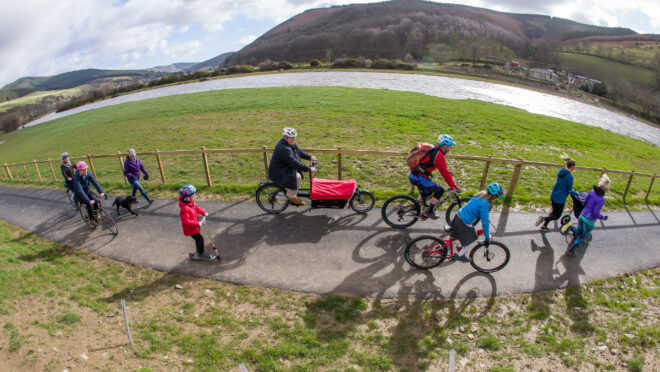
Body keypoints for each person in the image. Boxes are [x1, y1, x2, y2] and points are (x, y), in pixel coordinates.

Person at [446, 183, 504, 263]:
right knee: (470, 242)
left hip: (459, 215)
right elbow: (485, 223)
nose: (496, 198)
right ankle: (460, 256)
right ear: (494, 196)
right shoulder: (486, 204)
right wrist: (487, 236)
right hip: (464, 221)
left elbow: (474, 207)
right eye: (496, 197)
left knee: (453, 234)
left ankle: (441, 246)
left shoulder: (480, 194)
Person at [408, 133, 460, 219]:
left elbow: (443, 169)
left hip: (415, 175)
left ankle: (415, 206)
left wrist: (448, 172)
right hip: (419, 178)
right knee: (440, 190)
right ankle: (429, 212)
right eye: (449, 145)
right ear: (444, 145)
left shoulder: (435, 149)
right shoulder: (438, 155)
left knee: (428, 191)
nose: (451, 147)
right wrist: (453, 186)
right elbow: (444, 173)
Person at [561, 174, 610, 256]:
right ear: (606, 189)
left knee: (579, 231)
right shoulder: (601, 199)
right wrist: (603, 217)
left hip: (582, 216)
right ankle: (572, 250)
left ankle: (571, 227)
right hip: (589, 221)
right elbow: (595, 213)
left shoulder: (592, 192)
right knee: (582, 236)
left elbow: (585, 202)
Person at [268, 127, 317, 206]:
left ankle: (294, 194)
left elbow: (298, 151)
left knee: (297, 175)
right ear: (285, 137)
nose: (293, 139)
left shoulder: (289, 143)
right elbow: (294, 163)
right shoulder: (284, 149)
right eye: (291, 138)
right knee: (297, 177)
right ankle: (291, 195)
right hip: (279, 171)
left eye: (294, 137)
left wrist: (310, 157)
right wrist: (308, 168)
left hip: (284, 167)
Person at [535, 155, 577, 231]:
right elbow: (570, 190)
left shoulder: (561, 172)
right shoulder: (570, 177)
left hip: (554, 194)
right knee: (557, 215)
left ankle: (544, 226)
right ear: (572, 167)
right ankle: (543, 218)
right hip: (560, 198)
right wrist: (576, 193)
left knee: (553, 213)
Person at [178, 184, 211, 259]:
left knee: (198, 239)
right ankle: (201, 253)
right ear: (186, 198)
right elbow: (185, 221)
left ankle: (199, 251)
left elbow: (197, 208)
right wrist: (197, 223)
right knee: (200, 239)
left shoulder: (191, 203)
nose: (194, 197)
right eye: (193, 196)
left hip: (194, 227)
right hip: (190, 229)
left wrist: (203, 212)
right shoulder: (185, 208)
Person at [71, 161, 104, 226]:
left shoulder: (88, 174)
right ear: (79, 171)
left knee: (96, 200)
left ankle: (96, 213)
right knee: (88, 204)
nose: (85, 171)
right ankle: (91, 219)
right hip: (80, 194)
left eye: (86, 169)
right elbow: (80, 191)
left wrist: (101, 191)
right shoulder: (76, 179)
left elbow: (95, 182)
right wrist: (88, 201)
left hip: (87, 190)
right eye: (83, 170)